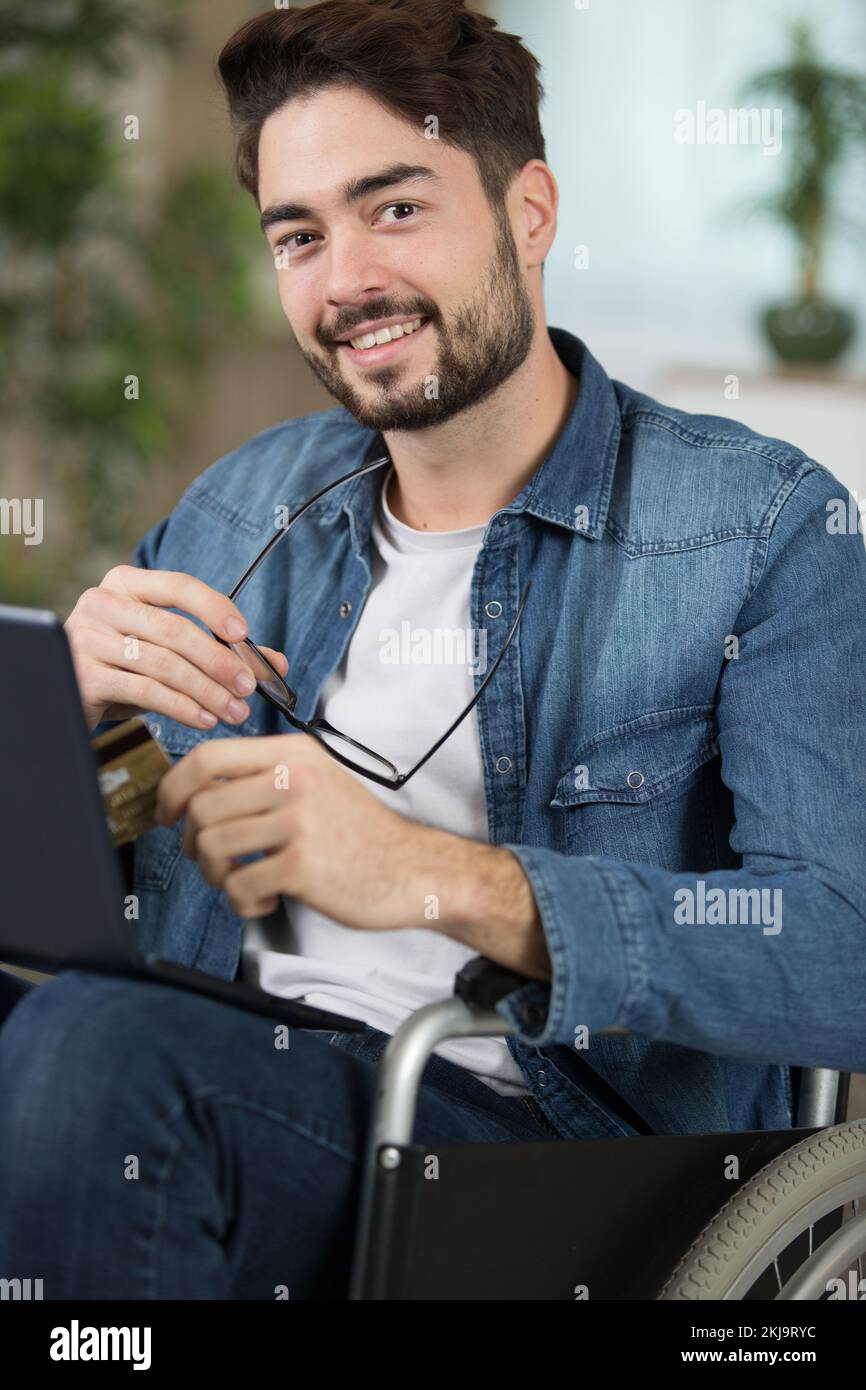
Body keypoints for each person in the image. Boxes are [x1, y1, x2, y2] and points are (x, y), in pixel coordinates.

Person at [1, 0, 864, 1300]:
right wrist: (58, 727)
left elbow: (838, 946)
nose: (344, 278)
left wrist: (434, 877)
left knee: (100, 1051)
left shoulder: (760, 528)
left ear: (528, 213)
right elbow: (116, 860)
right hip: (217, 1067)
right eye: (299, 234)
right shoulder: (243, 506)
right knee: (91, 1037)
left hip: (542, 1160)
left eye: (392, 208)